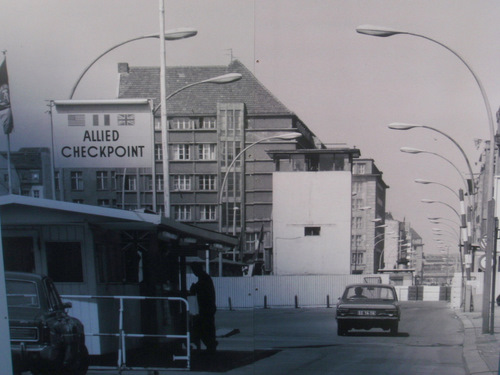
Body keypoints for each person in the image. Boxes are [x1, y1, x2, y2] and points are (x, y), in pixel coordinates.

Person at [189, 263, 218, 354]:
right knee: (207, 327)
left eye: (194, 270)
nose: (194, 273)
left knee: (204, 327)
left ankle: (210, 345)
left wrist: (194, 288)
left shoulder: (204, 278)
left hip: (206, 308)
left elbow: (201, 289)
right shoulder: (205, 278)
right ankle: (210, 345)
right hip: (208, 307)